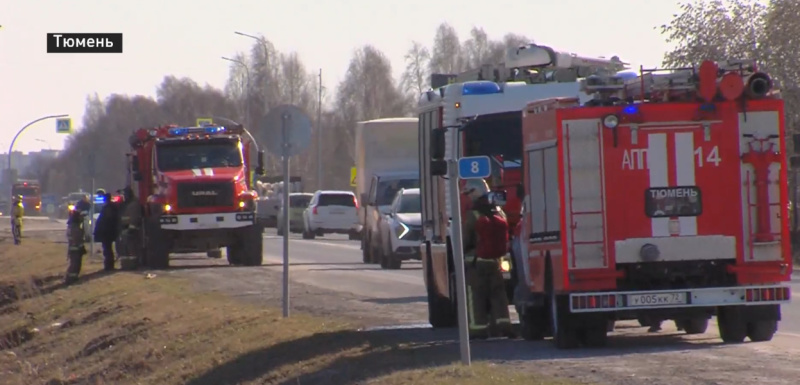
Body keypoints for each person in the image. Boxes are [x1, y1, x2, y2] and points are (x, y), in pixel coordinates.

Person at [461, 179, 515, 340]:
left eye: (468, 194)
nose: (468, 198)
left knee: (475, 296)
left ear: (475, 192)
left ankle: (478, 329)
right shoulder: (499, 212)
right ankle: (503, 326)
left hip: (478, 263)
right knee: (498, 295)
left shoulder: (473, 214)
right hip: (497, 262)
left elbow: (465, 240)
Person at [93, 193, 120, 271]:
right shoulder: (112, 207)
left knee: (107, 249)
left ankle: (109, 265)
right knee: (108, 249)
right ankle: (109, 265)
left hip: (107, 232)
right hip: (109, 231)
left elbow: (105, 220)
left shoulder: (108, 208)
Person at [65, 208, 88, 285]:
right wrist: (81, 247)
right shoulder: (75, 227)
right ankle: (71, 279)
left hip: (74, 248)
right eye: (80, 217)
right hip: (75, 249)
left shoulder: (72, 226)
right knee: (75, 264)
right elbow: (77, 238)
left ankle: (72, 278)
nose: (82, 218)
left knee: (75, 264)